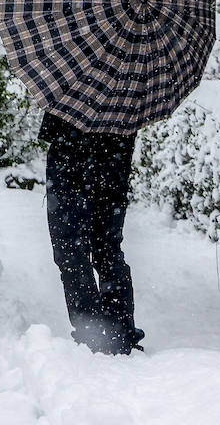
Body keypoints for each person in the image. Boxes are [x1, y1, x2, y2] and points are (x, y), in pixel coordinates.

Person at [41, 111, 144, 355]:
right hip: (113, 151)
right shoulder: (129, 88)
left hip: (73, 153)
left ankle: (95, 334)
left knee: (71, 250)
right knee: (106, 249)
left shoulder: (73, 81)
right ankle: (117, 333)